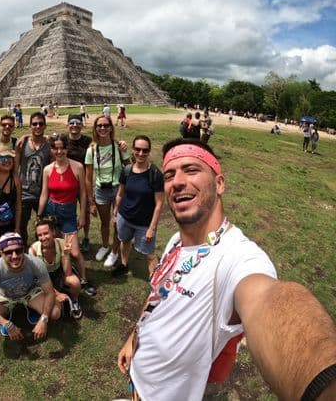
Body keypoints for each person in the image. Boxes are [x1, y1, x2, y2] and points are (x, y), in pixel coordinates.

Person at [117, 139, 336, 400]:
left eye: (191, 170)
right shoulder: (176, 242)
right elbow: (158, 295)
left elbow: (270, 301)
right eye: (169, 174)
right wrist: (133, 336)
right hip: (137, 378)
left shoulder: (237, 258)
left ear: (219, 184)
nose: (177, 182)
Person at [38, 132, 96, 296]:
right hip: (51, 212)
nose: (59, 152)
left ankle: (83, 279)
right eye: (56, 148)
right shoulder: (48, 169)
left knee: (75, 252)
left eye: (62, 148)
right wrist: (39, 215)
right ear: (52, 150)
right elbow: (44, 194)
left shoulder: (77, 167)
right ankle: (55, 277)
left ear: (67, 148)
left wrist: (83, 215)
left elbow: (83, 193)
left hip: (69, 211)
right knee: (52, 247)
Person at [0, 232, 61, 340]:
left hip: (29, 293)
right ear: (2, 253)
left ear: (23, 249)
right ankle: (6, 316)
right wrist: (6, 324)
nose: (14, 256)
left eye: (18, 251)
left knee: (55, 313)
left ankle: (31, 308)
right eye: (8, 252)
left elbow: (50, 293)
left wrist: (44, 319)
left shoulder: (36, 263)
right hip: (4, 296)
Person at [112, 135, 164, 277]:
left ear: (149, 152)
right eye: (138, 149)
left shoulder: (155, 174)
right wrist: (115, 213)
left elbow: (159, 203)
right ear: (133, 149)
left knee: (149, 254)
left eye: (145, 150)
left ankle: (156, 282)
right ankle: (123, 264)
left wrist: (151, 228)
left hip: (144, 224)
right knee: (125, 241)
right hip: (125, 217)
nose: (141, 154)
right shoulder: (127, 170)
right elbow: (120, 194)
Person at [85, 115, 130, 268]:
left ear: (111, 127)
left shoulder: (118, 146)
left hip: (117, 189)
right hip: (100, 190)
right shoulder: (91, 149)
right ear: (95, 129)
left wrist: (125, 149)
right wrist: (90, 202)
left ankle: (114, 251)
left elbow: (129, 167)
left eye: (106, 125)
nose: (103, 128)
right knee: (104, 222)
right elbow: (88, 177)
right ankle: (105, 245)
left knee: (117, 223)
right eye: (99, 126)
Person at [29, 218, 83, 319]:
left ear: (53, 232)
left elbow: (68, 273)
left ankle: (74, 300)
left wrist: (66, 254)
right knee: (55, 312)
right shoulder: (33, 251)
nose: (43, 238)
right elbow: (38, 280)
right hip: (42, 279)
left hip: (58, 272)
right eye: (40, 235)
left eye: (46, 233)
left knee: (74, 282)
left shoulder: (61, 243)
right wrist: (57, 294)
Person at [15, 112, 51, 247]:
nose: (37, 126)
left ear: (45, 126)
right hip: (24, 193)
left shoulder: (49, 145)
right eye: (34, 124)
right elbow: (15, 167)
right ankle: (24, 251)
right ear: (30, 126)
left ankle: (41, 250)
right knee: (21, 226)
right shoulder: (22, 144)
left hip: (42, 193)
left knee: (43, 225)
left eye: (41, 124)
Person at [64, 114, 93, 253]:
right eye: (72, 122)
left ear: (82, 125)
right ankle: (68, 237)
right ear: (67, 124)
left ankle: (86, 237)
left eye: (77, 122)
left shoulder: (88, 141)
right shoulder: (62, 139)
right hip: (67, 183)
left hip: (83, 182)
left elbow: (105, 143)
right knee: (68, 212)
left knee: (85, 213)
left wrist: (120, 143)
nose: (74, 125)